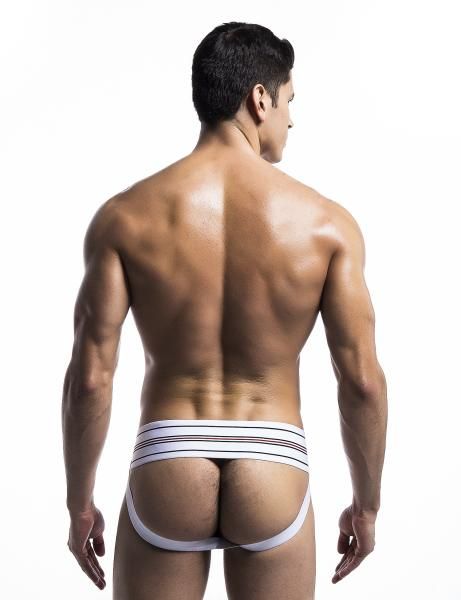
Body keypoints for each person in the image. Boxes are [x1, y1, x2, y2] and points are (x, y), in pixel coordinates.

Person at [62, 21, 387, 600]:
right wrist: (366, 506)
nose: (291, 119)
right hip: (274, 463)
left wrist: (78, 503)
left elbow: (90, 379)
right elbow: (361, 382)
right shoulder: (326, 225)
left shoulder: (124, 218)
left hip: (168, 459)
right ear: (259, 99)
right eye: (289, 101)